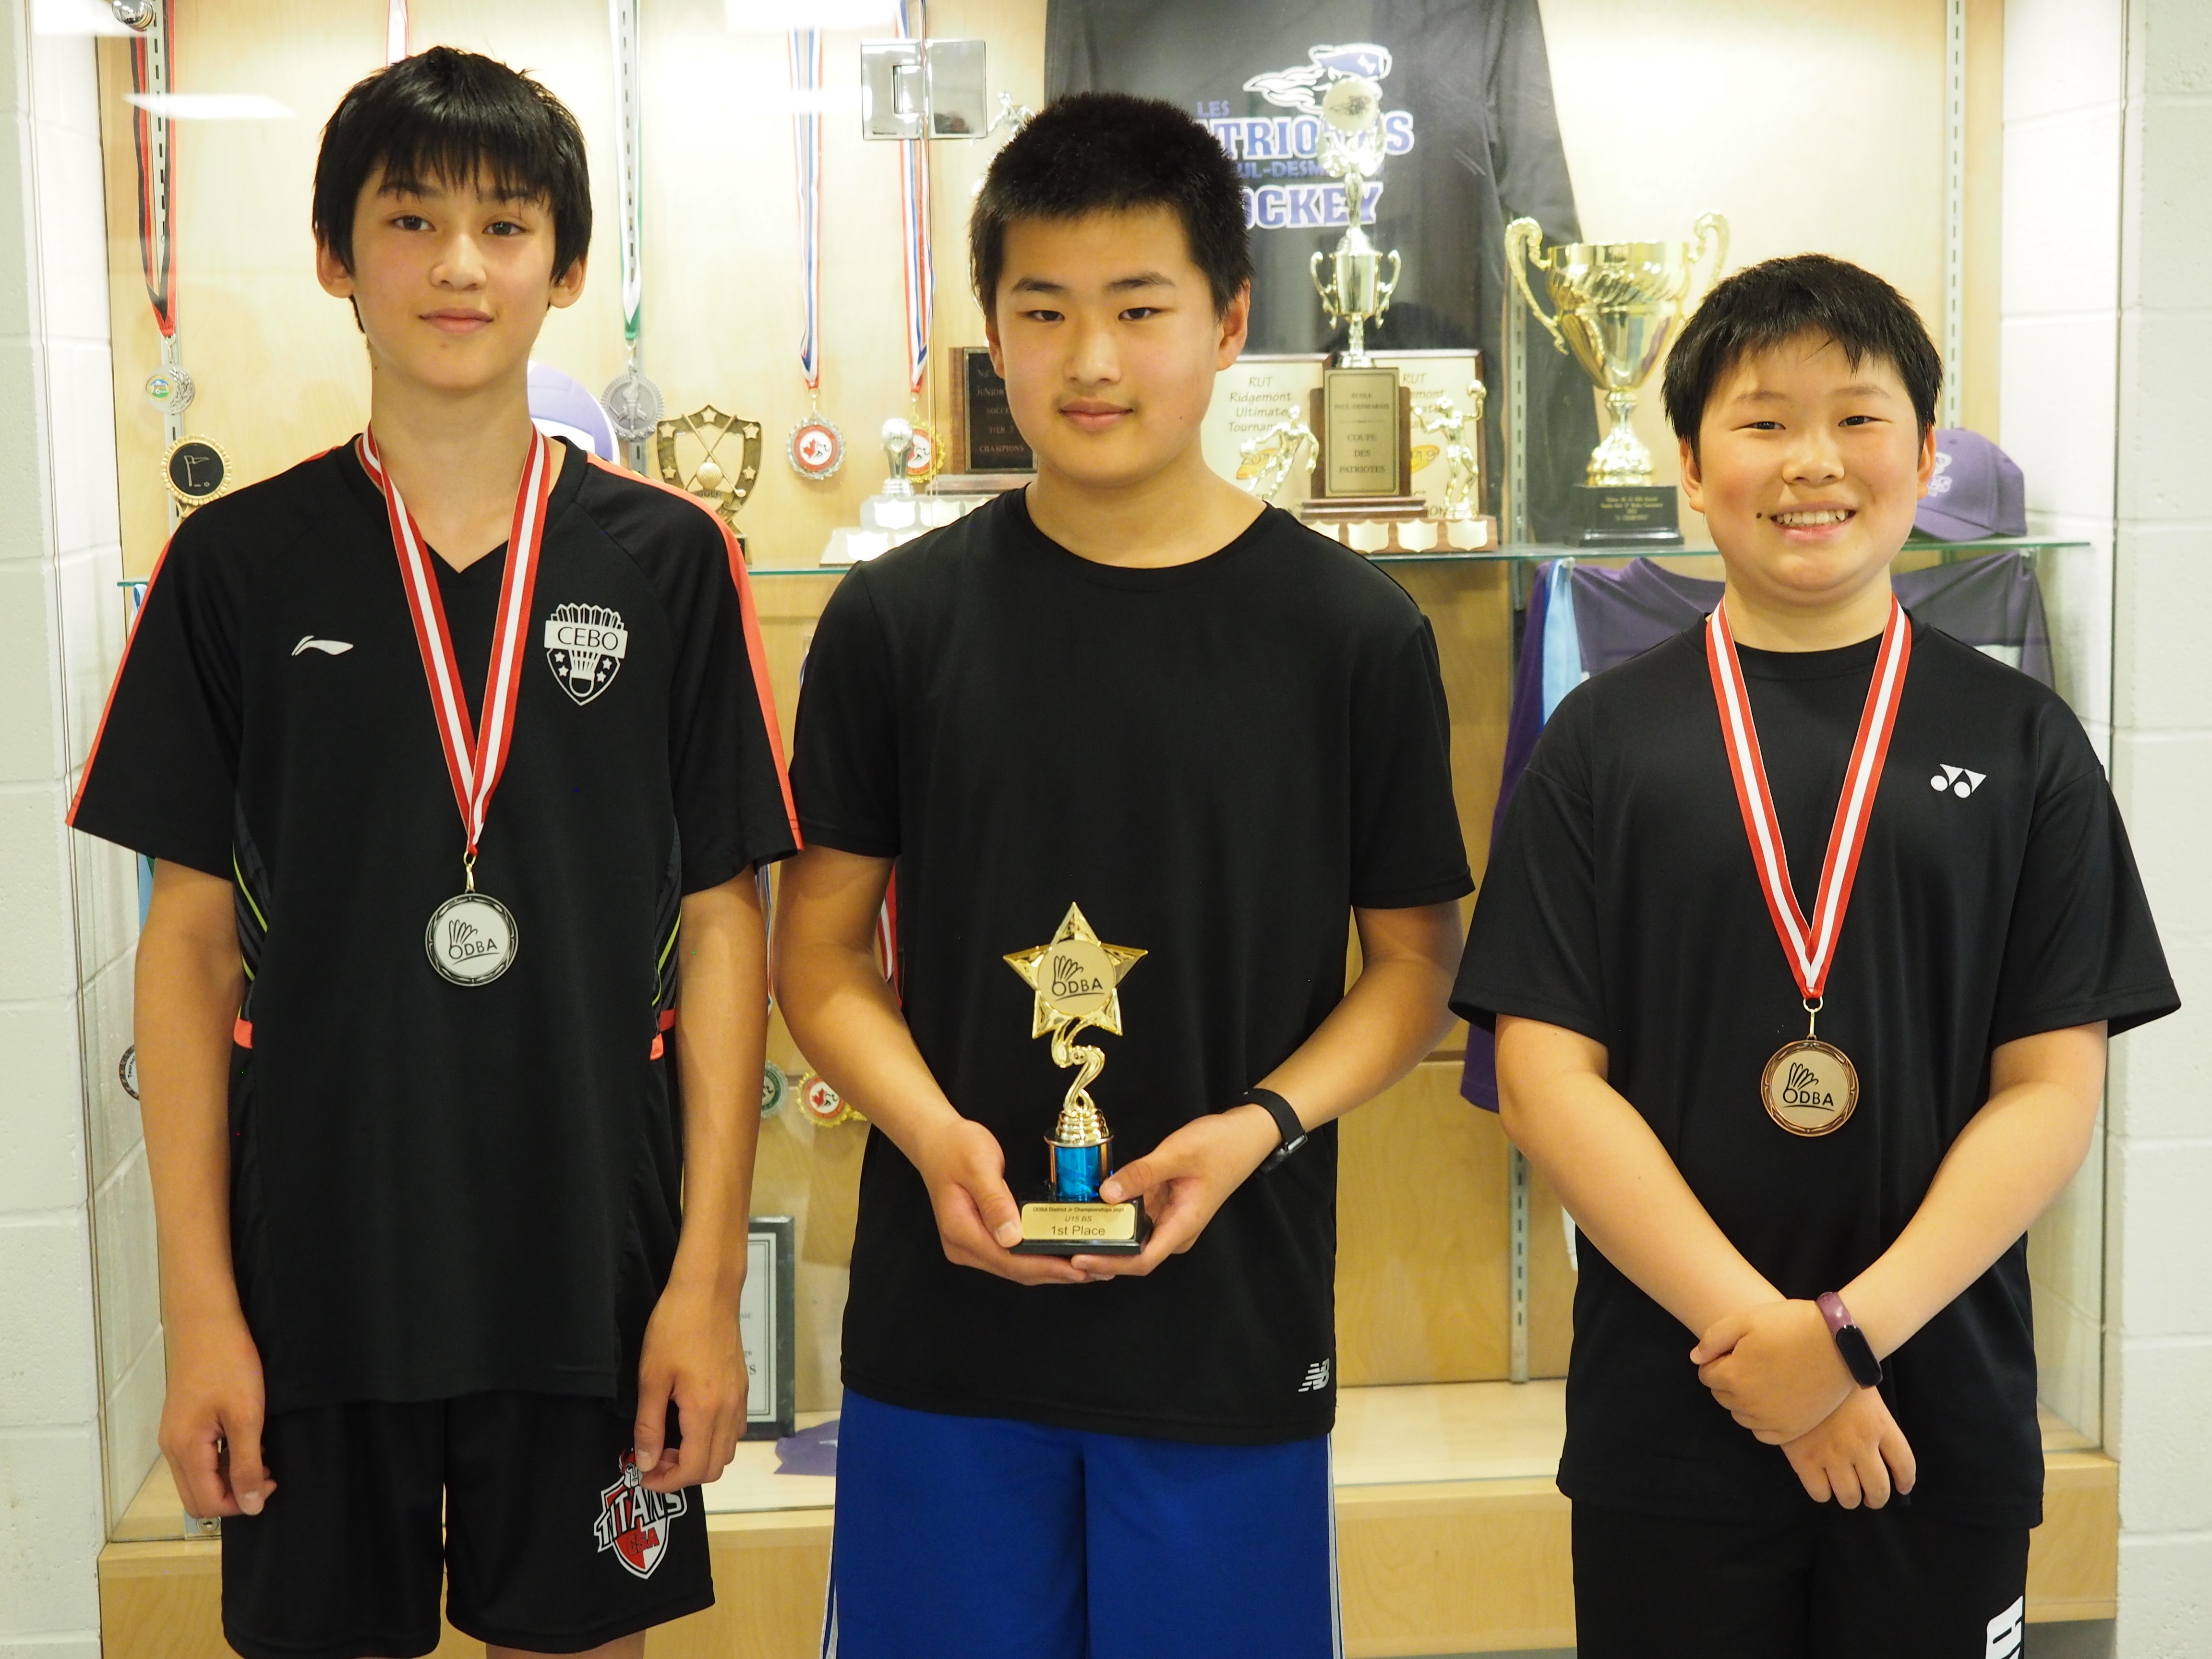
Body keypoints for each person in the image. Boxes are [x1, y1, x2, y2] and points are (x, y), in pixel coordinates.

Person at [69, 48, 798, 1659]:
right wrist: (200, 1308)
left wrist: (703, 1284)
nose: (460, 264)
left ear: (567, 266)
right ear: (337, 257)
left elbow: (722, 920)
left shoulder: (673, 562)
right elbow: (187, 945)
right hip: (317, 1265)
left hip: (593, 1264)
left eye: (506, 224)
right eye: (410, 220)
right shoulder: (234, 566)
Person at [772, 91, 1470, 1659]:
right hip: (947, 1333)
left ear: (1228, 323)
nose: (1092, 359)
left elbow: (1415, 968)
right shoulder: (894, 624)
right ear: (994, 336)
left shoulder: (1352, 635)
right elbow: (817, 953)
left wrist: (1260, 1127)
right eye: (1046, 312)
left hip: (1229, 1335)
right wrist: (932, 1134)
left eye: (1140, 309)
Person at [1451, 254, 2177, 1659]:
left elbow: (2051, 1091)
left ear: (1925, 451)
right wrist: (1767, 1349)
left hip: (1935, 1412)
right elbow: (1544, 1084)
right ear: (1689, 462)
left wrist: (1844, 1341)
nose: (1813, 462)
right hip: (1674, 1414)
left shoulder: (2024, 741)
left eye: (1857, 418)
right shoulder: (1602, 743)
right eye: (1764, 421)